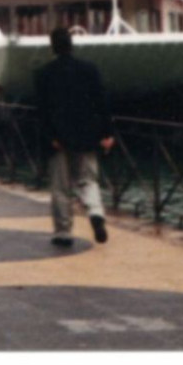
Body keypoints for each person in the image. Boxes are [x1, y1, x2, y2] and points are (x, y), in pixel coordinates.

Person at [33, 26, 115, 247]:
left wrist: (50, 136)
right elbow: (102, 103)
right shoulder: (89, 70)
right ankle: (96, 213)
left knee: (61, 187)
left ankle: (63, 232)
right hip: (87, 137)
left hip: (58, 139)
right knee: (88, 180)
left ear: (53, 47)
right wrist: (107, 133)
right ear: (72, 45)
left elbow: (41, 111)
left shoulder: (43, 74)